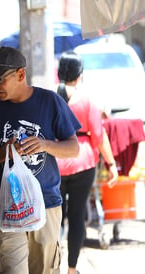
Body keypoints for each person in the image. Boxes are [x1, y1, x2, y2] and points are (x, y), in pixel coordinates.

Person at [0, 46, 81, 274]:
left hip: (46, 203)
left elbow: (73, 148)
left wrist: (45, 145)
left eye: (0, 80)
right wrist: (6, 151)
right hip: (3, 207)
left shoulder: (50, 101)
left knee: (44, 269)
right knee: (10, 269)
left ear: (20, 74)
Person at [56, 51, 119, 274]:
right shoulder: (88, 99)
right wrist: (111, 165)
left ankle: (52, 265)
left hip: (54, 162)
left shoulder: (49, 97)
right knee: (76, 216)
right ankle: (72, 269)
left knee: (55, 218)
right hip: (83, 162)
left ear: (58, 72)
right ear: (80, 75)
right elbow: (99, 136)